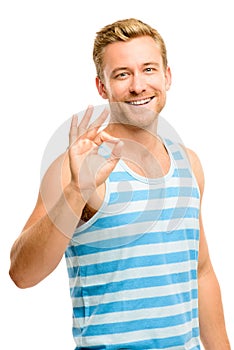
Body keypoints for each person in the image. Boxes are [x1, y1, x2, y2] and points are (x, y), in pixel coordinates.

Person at [9, 18, 231, 349]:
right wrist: (75, 192)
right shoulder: (77, 166)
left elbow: (201, 272)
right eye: (122, 74)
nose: (138, 85)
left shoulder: (190, 164)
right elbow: (22, 274)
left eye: (149, 69)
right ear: (102, 87)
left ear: (167, 77)